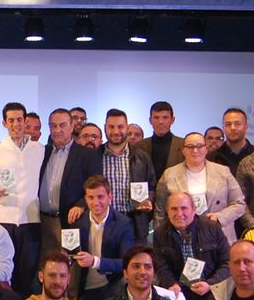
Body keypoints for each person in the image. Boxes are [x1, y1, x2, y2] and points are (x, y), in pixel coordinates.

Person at [0, 102, 45, 295]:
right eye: (11, 120)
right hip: (2, 218)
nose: (15, 124)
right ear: (4, 123)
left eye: (19, 119)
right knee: (2, 271)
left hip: (30, 219)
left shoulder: (39, 149)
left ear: (25, 121)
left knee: (27, 273)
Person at [155, 132, 246, 241]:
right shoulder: (169, 174)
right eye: (190, 147)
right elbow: (160, 211)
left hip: (220, 234)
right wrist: (161, 238)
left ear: (206, 149)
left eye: (199, 146)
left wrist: (219, 217)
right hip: (181, 236)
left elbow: (239, 204)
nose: (195, 150)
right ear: (183, 151)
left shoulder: (223, 171)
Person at [152, 192, 230, 300]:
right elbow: (161, 265)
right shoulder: (159, 234)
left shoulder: (212, 228)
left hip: (210, 289)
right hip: (179, 291)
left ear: (194, 209)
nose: (179, 214)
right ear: (167, 210)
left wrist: (210, 284)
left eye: (184, 208)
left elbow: (227, 262)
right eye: (174, 209)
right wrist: (171, 284)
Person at [66, 176, 136, 300]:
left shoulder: (123, 224)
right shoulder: (78, 222)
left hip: (111, 287)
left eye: (100, 197)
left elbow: (126, 262)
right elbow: (70, 254)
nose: (95, 202)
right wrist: (67, 256)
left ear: (110, 197)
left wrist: (95, 261)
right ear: (86, 199)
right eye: (91, 197)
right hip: (83, 289)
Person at [84, 108, 156, 241]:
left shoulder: (142, 157)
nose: (116, 131)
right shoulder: (92, 157)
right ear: (105, 128)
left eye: (120, 127)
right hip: (103, 222)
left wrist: (148, 200)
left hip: (134, 223)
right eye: (111, 127)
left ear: (127, 128)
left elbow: (151, 186)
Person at [37, 107, 98, 259]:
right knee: (46, 264)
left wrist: (81, 205)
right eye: (53, 126)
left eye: (62, 125)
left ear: (72, 126)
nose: (58, 130)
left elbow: (95, 186)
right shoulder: (41, 152)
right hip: (42, 221)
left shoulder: (87, 155)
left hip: (70, 221)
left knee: (70, 265)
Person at [139, 101, 179, 173]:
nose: (160, 121)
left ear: (172, 120)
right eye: (156, 117)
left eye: (165, 117)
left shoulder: (183, 145)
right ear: (150, 120)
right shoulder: (140, 146)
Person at [213, 107, 254, 175]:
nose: (232, 128)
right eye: (228, 124)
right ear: (223, 128)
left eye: (237, 124)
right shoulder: (212, 158)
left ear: (246, 127)